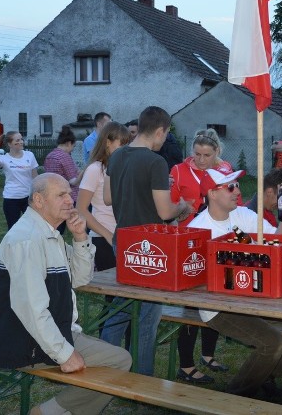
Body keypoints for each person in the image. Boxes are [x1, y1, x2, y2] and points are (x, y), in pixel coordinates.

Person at [0, 173, 132, 415]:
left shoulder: (47, 233)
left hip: (44, 334)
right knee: (119, 361)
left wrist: (80, 237)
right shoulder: (27, 240)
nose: (70, 201)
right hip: (21, 342)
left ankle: (56, 411)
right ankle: (49, 412)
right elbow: (31, 309)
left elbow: (81, 277)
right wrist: (64, 354)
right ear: (39, 200)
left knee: (117, 360)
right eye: (61, 195)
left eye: (69, 194)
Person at [187, 168, 282, 397]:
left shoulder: (244, 215)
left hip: (254, 295)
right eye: (230, 186)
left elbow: (279, 242)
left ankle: (263, 375)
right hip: (219, 307)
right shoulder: (197, 229)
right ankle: (237, 395)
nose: (237, 191)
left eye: (238, 185)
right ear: (212, 194)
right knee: (273, 343)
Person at [102, 106, 194, 376]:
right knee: (148, 316)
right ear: (159, 130)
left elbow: (108, 198)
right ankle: (143, 378)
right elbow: (165, 211)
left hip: (123, 240)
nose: (164, 141)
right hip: (151, 246)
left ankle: (106, 368)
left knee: (120, 307)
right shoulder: (156, 162)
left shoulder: (117, 155)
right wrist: (182, 206)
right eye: (165, 135)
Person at [168, 128, 233, 383]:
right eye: (197, 154)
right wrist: (184, 209)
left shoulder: (225, 169)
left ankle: (208, 354)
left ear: (216, 152)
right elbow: (169, 208)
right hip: (190, 245)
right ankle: (185, 365)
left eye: (207, 154)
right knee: (192, 305)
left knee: (216, 297)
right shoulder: (179, 170)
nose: (201, 159)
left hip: (217, 240)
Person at [76, 120, 131, 272]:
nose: (126, 149)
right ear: (107, 142)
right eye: (122, 144)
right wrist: (108, 235)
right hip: (104, 238)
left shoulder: (125, 167)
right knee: (113, 291)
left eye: (128, 144)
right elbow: (80, 209)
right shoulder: (95, 169)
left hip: (127, 237)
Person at [0, 131, 39, 229]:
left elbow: (35, 177)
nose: (21, 142)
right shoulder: (4, 158)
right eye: (17, 140)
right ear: (10, 144)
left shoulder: (29, 155)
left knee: (33, 226)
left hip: (28, 197)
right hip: (11, 198)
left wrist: (39, 192)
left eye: (21, 139)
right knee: (13, 228)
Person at [43, 126, 81, 226]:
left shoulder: (50, 156)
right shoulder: (65, 156)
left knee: (55, 224)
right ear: (69, 143)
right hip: (68, 197)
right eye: (73, 146)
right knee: (73, 224)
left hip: (52, 195)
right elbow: (73, 181)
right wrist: (83, 173)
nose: (72, 150)